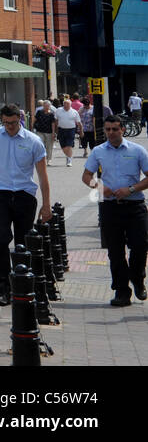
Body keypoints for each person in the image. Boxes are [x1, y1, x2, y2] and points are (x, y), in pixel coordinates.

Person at [0, 103, 51, 306]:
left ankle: (23, 287)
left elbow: (43, 176)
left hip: (24, 195)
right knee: (1, 240)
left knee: (22, 243)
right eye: (5, 123)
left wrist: (46, 205)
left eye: (12, 123)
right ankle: (2, 289)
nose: (9, 127)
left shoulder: (34, 141)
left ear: (20, 119)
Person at [81, 114, 148, 306]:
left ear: (123, 130)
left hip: (135, 205)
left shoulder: (137, 151)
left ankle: (137, 278)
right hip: (110, 207)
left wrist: (131, 189)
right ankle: (121, 291)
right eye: (108, 129)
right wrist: (100, 187)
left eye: (115, 129)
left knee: (140, 246)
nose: (110, 133)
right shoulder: (98, 151)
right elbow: (86, 176)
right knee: (115, 252)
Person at [52, 97, 81, 168]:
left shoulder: (74, 112)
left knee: (69, 145)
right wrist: (55, 130)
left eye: (67, 104)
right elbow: (55, 120)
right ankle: (68, 156)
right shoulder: (58, 110)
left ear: (70, 105)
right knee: (63, 146)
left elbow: (79, 122)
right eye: (64, 104)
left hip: (71, 130)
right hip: (61, 129)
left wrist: (81, 131)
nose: (66, 105)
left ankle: (69, 160)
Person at [32, 99, 57, 163]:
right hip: (40, 131)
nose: (47, 107)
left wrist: (53, 132)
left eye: (48, 106)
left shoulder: (51, 114)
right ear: (43, 106)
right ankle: (41, 158)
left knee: (49, 146)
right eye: (45, 105)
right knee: (40, 144)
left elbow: (53, 124)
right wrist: (33, 127)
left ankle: (49, 159)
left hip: (49, 131)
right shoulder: (39, 112)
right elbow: (35, 120)